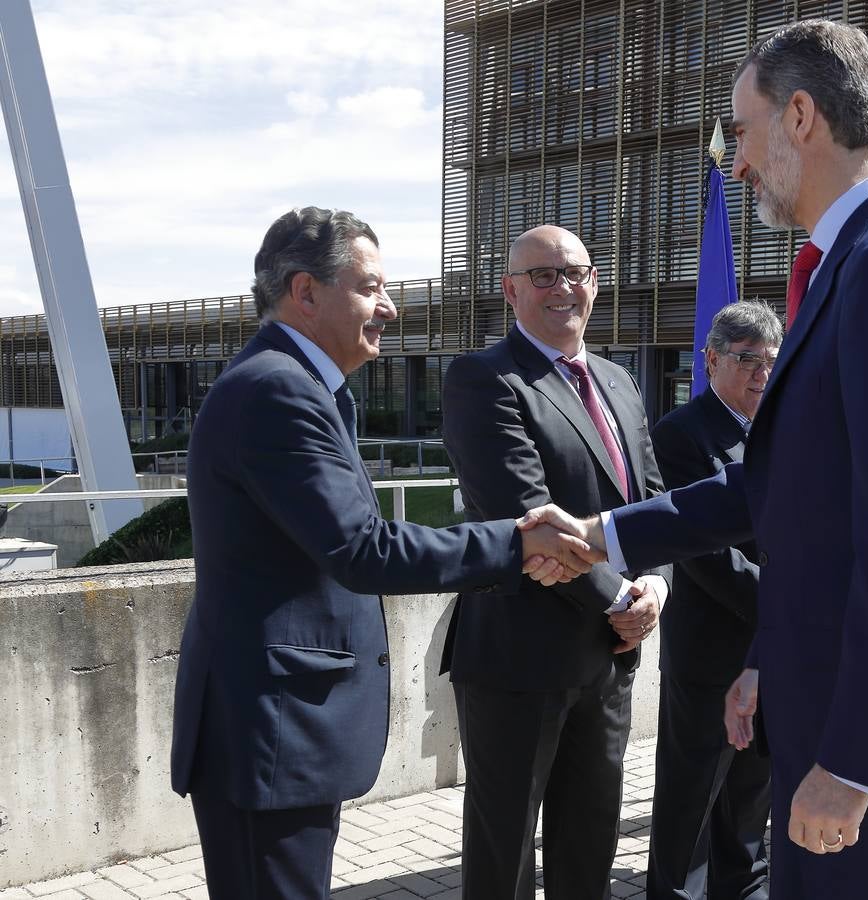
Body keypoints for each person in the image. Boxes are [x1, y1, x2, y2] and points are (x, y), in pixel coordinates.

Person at [529, 20, 868, 898]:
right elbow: (787, 491)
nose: (738, 161)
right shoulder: (854, 266)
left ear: (801, 117)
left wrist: (858, 763)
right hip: (829, 706)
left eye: (744, 132)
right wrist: (606, 532)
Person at [169, 207, 598, 899]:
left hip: (282, 729)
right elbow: (364, 549)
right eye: (370, 287)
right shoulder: (275, 390)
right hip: (271, 734)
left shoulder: (298, 385)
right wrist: (518, 542)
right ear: (305, 292)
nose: (389, 307)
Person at [439, 224, 672, 898]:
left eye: (575, 271)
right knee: (504, 850)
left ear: (594, 283)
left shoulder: (620, 382)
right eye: (542, 275)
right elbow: (530, 516)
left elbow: (654, 505)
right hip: (517, 660)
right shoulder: (483, 379)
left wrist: (657, 583)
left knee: (589, 843)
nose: (562, 286)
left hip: (608, 658)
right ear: (511, 291)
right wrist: (622, 601)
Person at [646, 300, 781, 900]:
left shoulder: (780, 428)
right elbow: (702, 552)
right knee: (694, 797)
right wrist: (786, 606)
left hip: (771, 648)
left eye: (769, 361)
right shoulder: (682, 434)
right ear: (711, 361)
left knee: (752, 797)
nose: (760, 373)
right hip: (712, 652)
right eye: (746, 359)